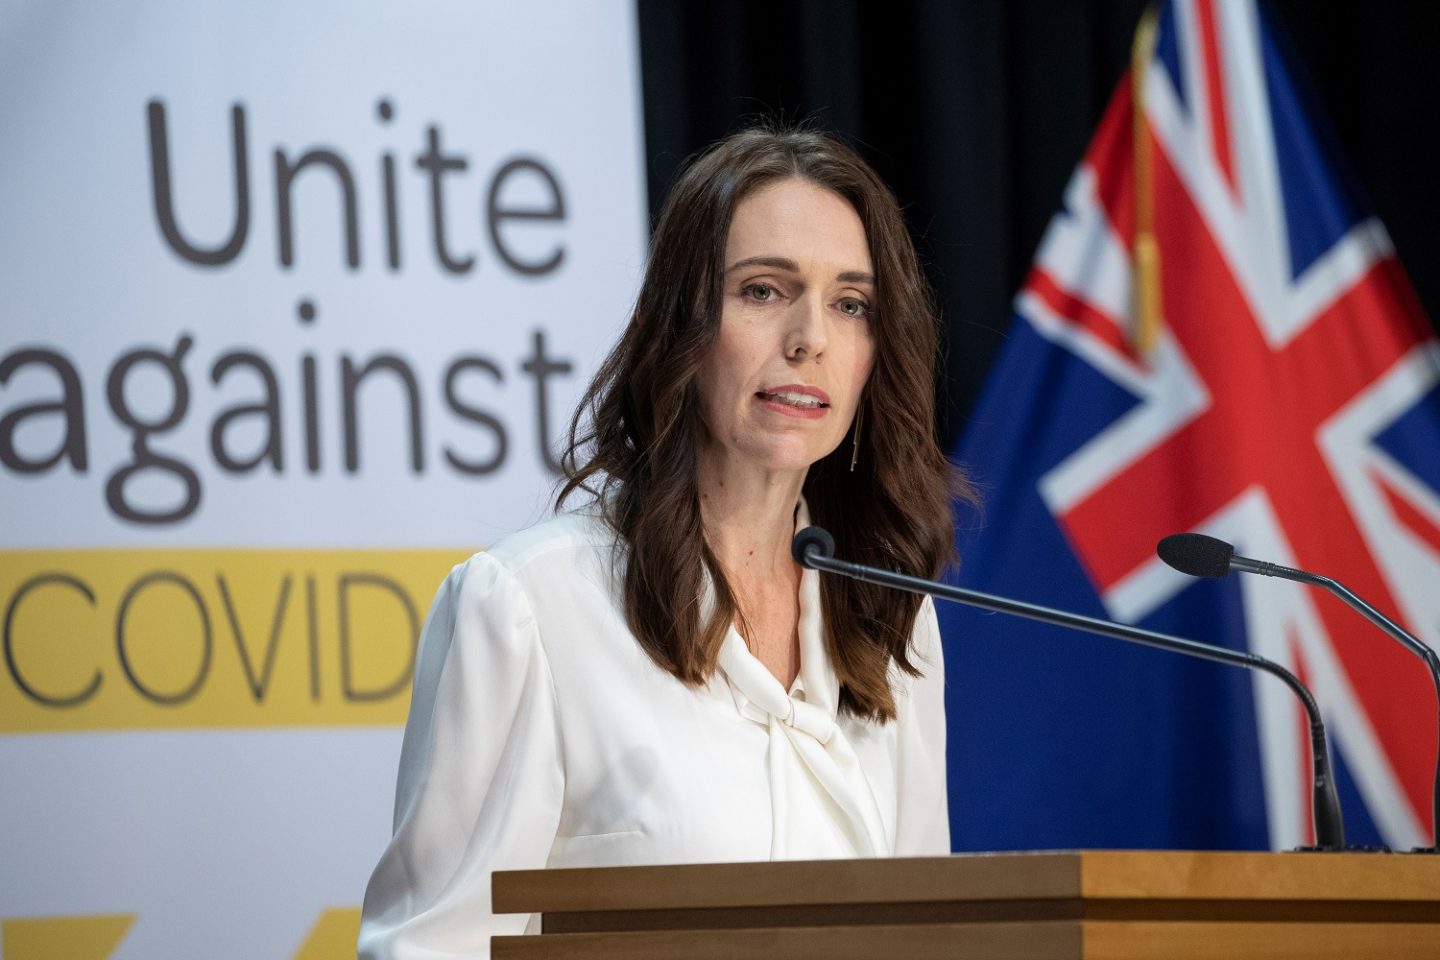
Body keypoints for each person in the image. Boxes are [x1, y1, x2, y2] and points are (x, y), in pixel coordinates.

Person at [358, 126, 967, 958]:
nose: (810, 338)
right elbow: (429, 948)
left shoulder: (894, 619)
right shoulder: (531, 608)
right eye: (763, 290)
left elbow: (924, 936)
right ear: (682, 323)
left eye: (851, 304)